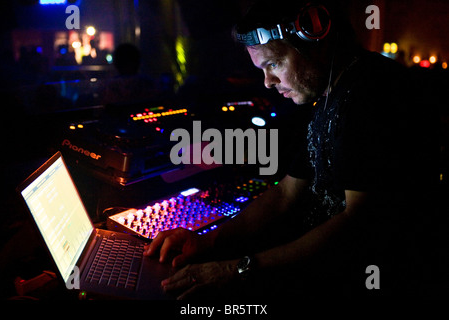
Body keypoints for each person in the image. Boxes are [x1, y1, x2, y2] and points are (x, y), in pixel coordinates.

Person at [144, 0, 441, 300]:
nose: (267, 82)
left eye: (273, 64)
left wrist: (236, 270)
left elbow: (359, 224)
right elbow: (287, 192)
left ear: (312, 35)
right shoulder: (327, 95)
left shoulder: (373, 92)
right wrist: (210, 241)